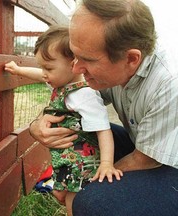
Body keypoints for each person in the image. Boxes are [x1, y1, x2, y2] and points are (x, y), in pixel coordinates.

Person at [29, 0, 178, 215]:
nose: (76, 68)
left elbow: (147, 159)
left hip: (168, 164)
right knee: (78, 128)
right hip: (144, 146)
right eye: (74, 55)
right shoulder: (116, 65)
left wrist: (80, 183)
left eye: (87, 59)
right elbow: (73, 100)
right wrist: (37, 125)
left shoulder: (169, 83)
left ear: (131, 59)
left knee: (92, 202)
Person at [5, 25, 122, 216]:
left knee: (73, 202)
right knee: (60, 193)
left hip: (82, 163)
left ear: (73, 64)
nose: (43, 73)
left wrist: (107, 163)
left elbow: (103, 129)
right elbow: (39, 75)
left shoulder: (85, 94)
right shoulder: (63, 82)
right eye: (42, 67)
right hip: (67, 159)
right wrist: (18, 70)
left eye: (48, 68)